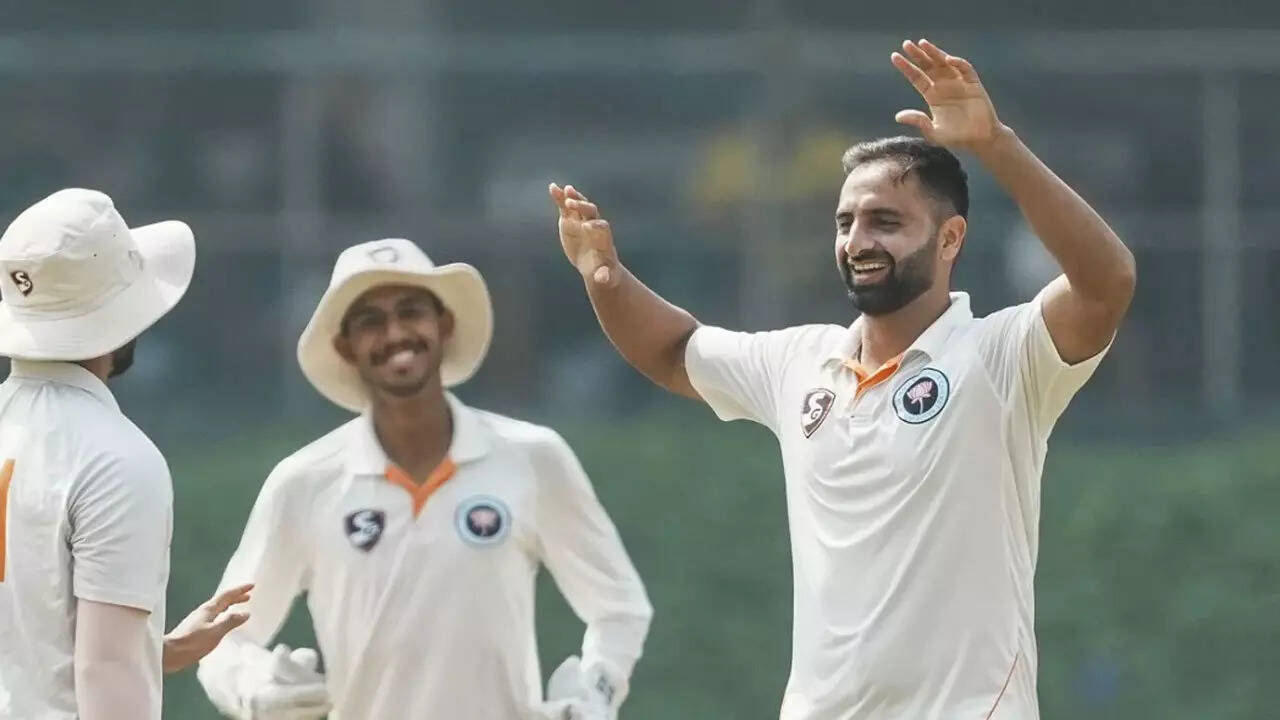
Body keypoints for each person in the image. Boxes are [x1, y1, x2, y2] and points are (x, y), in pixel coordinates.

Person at [551, 39, 1135, 720]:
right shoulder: (801, 362)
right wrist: (605, 278)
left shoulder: (1000, 356)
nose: (858, 241)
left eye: (886, 222)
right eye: (846, 222)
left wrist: (996, 146)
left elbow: (1106, 284)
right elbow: (674, 352)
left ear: (950, 238)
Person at [197, 238, 652, 720]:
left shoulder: (532, 458)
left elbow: (619, 607)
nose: (395, 334)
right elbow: (221, 641)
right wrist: (254, 689)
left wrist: (596, 692)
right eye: (370, 321)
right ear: (345, 347)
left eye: (411, 312)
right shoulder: (306, 482)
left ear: (444, 324)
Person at [0, 189, 254, 720]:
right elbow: (105, 673)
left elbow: (30, 649)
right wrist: (128, 657)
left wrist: (155, 651)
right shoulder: (115, 458)